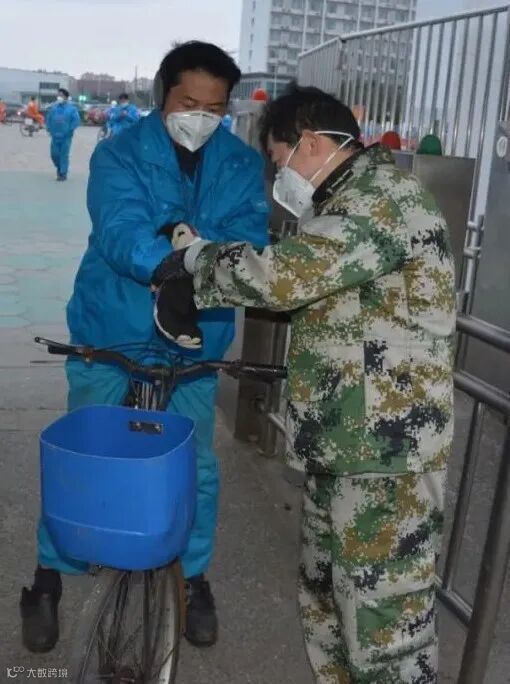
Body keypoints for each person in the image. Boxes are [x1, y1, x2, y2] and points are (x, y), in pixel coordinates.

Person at [152, 86, 456, 683]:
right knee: (329, 608)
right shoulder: (344, 202)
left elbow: (283, 278)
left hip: (385, 459)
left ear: (311, 143)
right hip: (345, 444)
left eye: (278, 159)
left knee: (384, 628)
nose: (278, 176)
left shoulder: (380, 200)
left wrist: (195, 261)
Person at [20, 41, 269, 654]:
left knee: (194, 465)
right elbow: (119, 227)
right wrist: (169, 264)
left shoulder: (240, 164)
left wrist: (202, 262)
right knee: (86, 454)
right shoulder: (120, 152)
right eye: (189, 102)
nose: (200, 117)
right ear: (164, 95)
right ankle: (50, 573)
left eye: (214, 108)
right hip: (114, 328)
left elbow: (247, 235)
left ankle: (193, 575)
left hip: (196, 337)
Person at [45, 88, 80, 181]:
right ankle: (60, 167)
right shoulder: (54, 108)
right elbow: (49, 119)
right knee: (54, 155)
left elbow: (76, 121)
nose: (59, 97)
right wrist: (48, 128)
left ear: (66, 97)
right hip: (55, 136)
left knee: (64, 155)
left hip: (66, 137)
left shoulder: (72, 109)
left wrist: (70, 130)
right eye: (58, 95)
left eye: (61, 95)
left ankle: (63, 173)